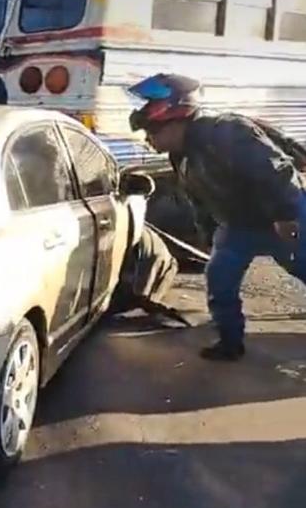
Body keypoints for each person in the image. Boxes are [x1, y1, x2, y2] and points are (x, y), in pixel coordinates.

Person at [128, 73, 306, 360]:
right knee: (219, 279)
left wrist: (285, 216)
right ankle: (230, 343)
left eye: (153, 132)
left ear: (177, 121)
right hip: (238, 223)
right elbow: (199, 200)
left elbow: (276, 171)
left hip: (282, 212)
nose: (149, 141)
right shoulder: (180, 154)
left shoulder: (224, 132)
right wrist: (208, 236)